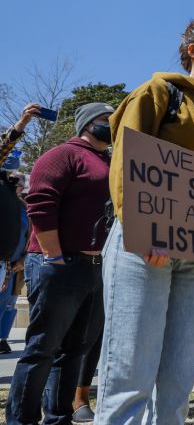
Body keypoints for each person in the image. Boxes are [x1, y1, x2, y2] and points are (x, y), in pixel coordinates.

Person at [96, 19, 194, 425]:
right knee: (131, 373)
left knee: (179, 379)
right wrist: (146, 231)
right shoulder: (160, 93)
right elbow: (126, 161)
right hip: (145, 248)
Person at [6, 102, 115, 425]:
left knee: (75, 350)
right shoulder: (62, 155)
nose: (111, 124)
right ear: (86, 123)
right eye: (105, 119)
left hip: (94, 268)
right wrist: (53, 255)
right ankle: (22, 420)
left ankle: (57, 417)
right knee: (43, 349)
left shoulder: (109, 159)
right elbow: (40, 204)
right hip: (59, 263)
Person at [0, 174, 28, 355]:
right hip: (2, 261)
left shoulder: (25, 208)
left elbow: (30, 235)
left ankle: (2, 338)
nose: (18, 187)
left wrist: (23, 260)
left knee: (9, 304)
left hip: (15, 265)